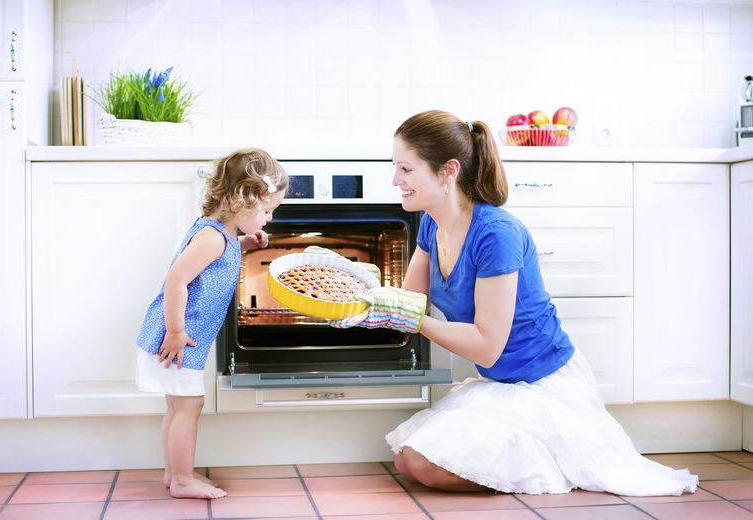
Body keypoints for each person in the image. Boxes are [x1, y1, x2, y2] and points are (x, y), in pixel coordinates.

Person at [335, 110, 698, 496]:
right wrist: (358, 290)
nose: (395, 180)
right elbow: (410, 303)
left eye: (406, 169)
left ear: (447, 171)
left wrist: (410, 319)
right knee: (407, 459)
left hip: (545, 387)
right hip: (502, 386)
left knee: (425, 465)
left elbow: (486, 347)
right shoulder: (431, 223)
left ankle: (557, 464)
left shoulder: (496, 234)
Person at [135, 148, 288, 499]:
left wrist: (245, 241)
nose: (268, 219)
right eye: (266, 211)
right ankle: (184, 480)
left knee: (178, 407)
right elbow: (176, 280)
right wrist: (175, 332)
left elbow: (218, 256)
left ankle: (174, 476)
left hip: (180, 336)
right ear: (242, 200)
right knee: (188, 407)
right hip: (177, 337)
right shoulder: (212, 239)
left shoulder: (221, 233)